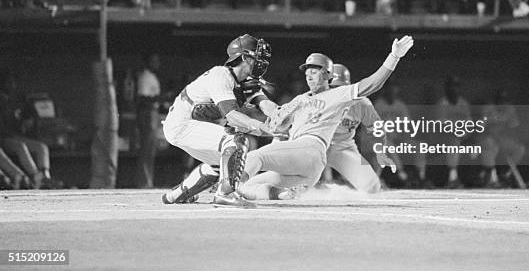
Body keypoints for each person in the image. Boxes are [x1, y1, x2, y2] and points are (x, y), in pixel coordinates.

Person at [237, 36, 414, 201]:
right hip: (308, 162)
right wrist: (259, 101)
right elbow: (277, 125)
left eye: (314, 70)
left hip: (318, 147)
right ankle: (282, 193)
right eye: (307, 71)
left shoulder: (340, 96)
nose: (308, 74)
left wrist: (393, 57)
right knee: (249, 186)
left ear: (328, 75)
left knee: (253, 158)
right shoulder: (300, 100)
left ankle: (227, 188)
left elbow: (372, 84)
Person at [161, 34, 276, 206]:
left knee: (221, 166)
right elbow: (232, 116)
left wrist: (285, 116)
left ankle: (176, 195)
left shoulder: (245, 81)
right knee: (236, 140)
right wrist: (263, 128)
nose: (262, 62)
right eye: (258, 57)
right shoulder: (221, 75)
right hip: (181, 123)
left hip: (189, 124)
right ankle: (226, 194)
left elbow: (266, 105)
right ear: (245, 57)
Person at [322, 64, 396, 193]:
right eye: (333, 87)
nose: (337, 91)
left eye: (341, 87)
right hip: (318, 146)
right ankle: (310, 184)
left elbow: (378, 131)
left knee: (372, 187)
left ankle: (333, 187)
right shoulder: (318, 100)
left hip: (343, 147)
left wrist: (381, 153)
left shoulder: (361, 103)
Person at [436, 75, 471, 189]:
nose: (453, 89)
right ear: (446, 88)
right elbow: (440, 124)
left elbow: (469, 124)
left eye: (456, 86)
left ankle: (487, 177)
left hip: (462, 138)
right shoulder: (442, 103)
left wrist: (464, 133)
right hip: (443, 138)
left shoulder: (463, 103)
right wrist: (456, 131)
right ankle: (453, 178)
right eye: (451, 86)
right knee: (453, 141)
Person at [135, 53, 161, 188]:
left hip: (152, 113)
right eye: (154, 61)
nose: (157, 63)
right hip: (147, 114)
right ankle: (144, 182)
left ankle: (148, 181)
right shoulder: (145, 76)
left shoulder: (152, 76)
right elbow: (144, 98)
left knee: (151, 150)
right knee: (146, 149)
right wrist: (160, 99)